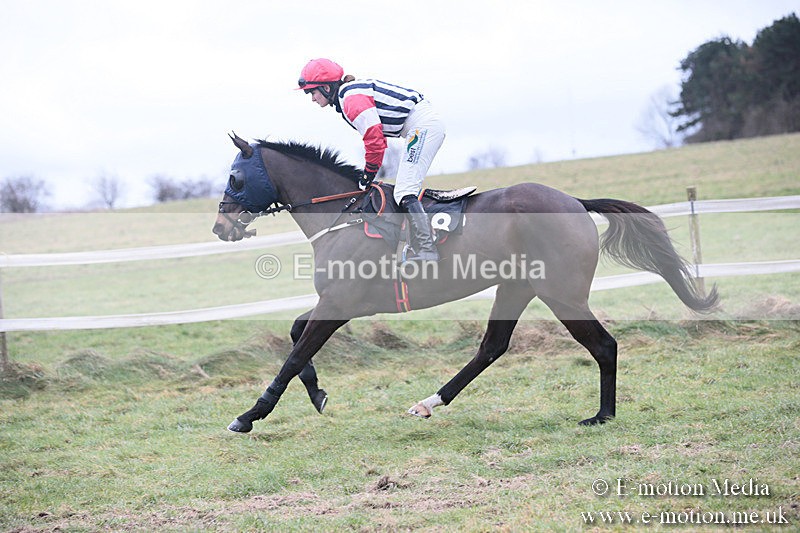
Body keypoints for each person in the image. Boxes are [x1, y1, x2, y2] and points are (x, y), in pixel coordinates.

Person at [297, 58, 445, 262]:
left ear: (326, 87)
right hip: (419, 126)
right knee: (404, 189)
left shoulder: (350, 99)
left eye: (312, 92)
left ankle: (427, 250)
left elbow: (375, 140)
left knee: (404, 190)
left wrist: (367, 175)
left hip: (423, 126)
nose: (312, 98)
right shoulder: (348, 95)